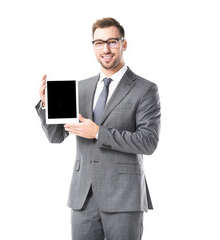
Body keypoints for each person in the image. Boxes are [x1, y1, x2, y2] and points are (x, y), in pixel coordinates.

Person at [35, 17, 161, 240]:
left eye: (112, 42)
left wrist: (98, 133)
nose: (106, 49)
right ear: (93, 46)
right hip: (83, 198)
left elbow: (148, 142)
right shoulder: (80, 88)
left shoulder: (145, 89)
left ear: (124, 44)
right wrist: (47, 105)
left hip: (124, 197)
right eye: (99, 43)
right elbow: (56, 137)